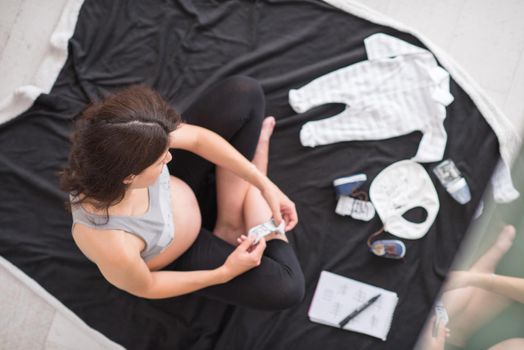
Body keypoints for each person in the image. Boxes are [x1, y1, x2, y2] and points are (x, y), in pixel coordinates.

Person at [59, 76, 306, 311]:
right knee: (286, 288)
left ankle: (231, 222)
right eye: (160, 160)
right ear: (129, 177)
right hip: (181, 251)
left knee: (243, 91)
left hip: (179, 186)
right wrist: (224, 273)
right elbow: (147, 285)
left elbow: (198, 139)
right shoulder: (111, 243)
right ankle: (246, 197)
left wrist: (262, 183)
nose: (169, 157)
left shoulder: (126, 137)